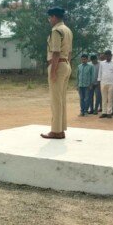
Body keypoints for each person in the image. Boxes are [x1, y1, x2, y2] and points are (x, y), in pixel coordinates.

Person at [41, 7, 73, 139]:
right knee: (61, 99)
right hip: (65, 64)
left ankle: (56, 131)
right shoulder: (67, 30)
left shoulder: (56, 30)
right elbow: (69, 52)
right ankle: (60, 129)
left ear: (54, 17)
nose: (49, 20)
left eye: (50, 17)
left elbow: (55, 52)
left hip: (57, 65)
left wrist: (53, 71)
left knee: (55, 100)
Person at [98, 50, 113, 118]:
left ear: (111, 55)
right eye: (106, 55)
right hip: (103, 82)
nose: (107, 56)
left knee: (110, 98)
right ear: (105, 56)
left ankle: (109, 112)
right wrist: (99, 81)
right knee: (104, 98)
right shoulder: (102, 63)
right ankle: (104, 112)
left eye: (108, 55)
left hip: (112, 83)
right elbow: (100, 73)